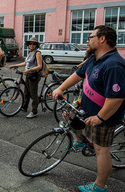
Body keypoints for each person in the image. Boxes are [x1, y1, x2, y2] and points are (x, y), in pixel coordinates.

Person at [53, 25, 125, 192]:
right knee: (67, 115)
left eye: (91, 37)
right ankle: (81, 141)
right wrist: (61, 88)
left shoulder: (114, 65)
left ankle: (99, 186)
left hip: (104, 117)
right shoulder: (94, 59)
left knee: (101, 150)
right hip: (86, 109)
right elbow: (78, 74)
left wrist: (99, 117)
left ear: (102, 39)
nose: (87, 40)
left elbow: (116, 99)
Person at [9, 37, 43, 118]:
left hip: (34, 76)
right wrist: (14, 65)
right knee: (26, 92)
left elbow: (39, 66)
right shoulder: (30, 53)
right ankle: (24, 107)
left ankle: (34, 111)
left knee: (33, 94)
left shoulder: (37, 53)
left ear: (36, 45)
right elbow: (25, 63)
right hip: (28, 75)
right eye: (30, 43)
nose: (31, 45)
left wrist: (29, 70)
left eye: (34, 44)